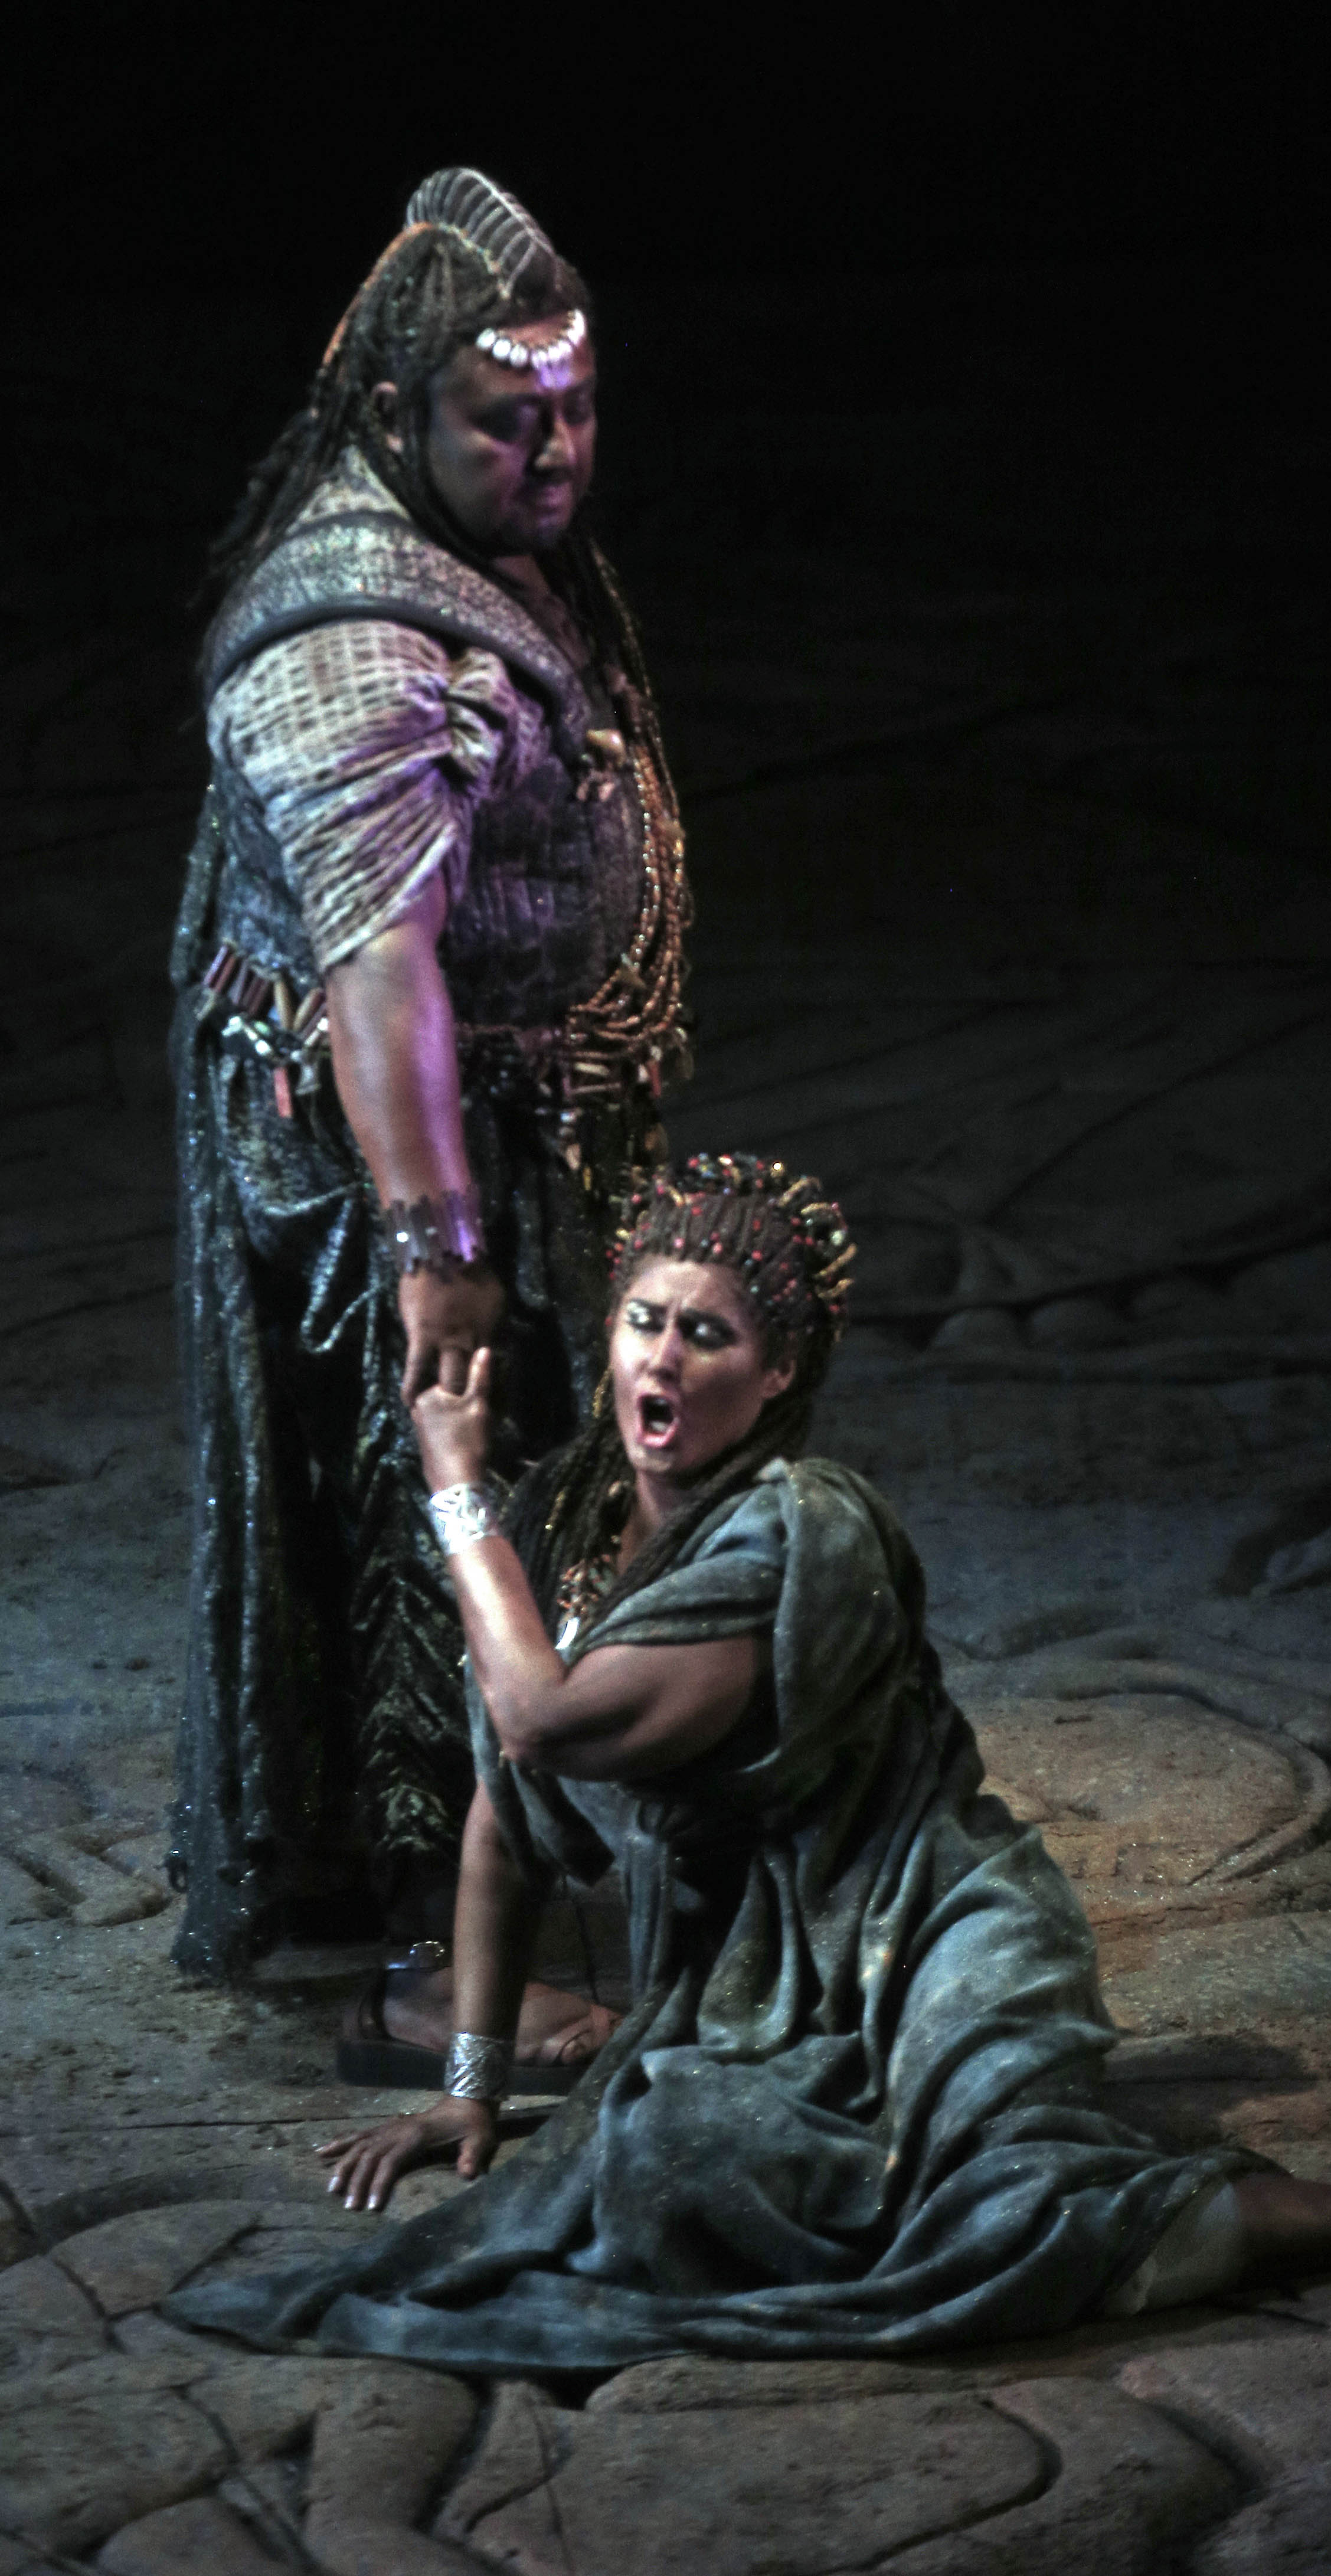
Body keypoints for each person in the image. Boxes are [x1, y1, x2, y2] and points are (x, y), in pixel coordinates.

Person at [166, 1157, 1331, 2376]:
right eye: (644, 1320)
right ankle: (696, 2078)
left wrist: (451, 1485)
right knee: (668, 2157)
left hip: (925, 1929)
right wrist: (472, 2090)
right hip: (749, 1974)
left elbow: (543, 1716)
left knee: (1018, 2203)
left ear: (777, 1371)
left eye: (708, 1335)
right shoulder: (569, 1526)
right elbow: (505, 1804)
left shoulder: (801, 1531)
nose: (662, 1357)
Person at [166, 166, 691, 2040]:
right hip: (391, 1167)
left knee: (522, 1496)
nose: (555, 452)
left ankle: (494, 1893)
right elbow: (377, 962)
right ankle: (432, 1958)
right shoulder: (349, 643)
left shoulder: (476, 546)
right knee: (439, 1507)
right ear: (396, 413)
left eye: (578, 408)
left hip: (512, 1128)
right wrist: (434, 1242)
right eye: (506, 420)